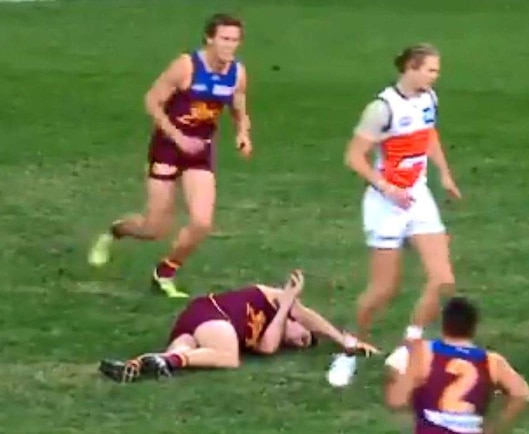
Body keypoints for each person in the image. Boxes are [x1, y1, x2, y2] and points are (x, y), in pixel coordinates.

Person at [88, 13, 253, 298]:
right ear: (210, 39)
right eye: (225, 39)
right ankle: (115, 231)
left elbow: (238, 106)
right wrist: (178, 137)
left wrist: (242, 133)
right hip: (167, 148)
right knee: (154, 228)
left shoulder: (237, 73)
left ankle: (164, 273)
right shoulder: (186, 66)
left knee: (202, 222)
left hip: (199, 152)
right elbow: (152, 101)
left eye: (235, 40)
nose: (230, 46)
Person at [328, 43, 462, 387]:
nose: (436, 76)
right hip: (386, 206)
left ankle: (408, 346)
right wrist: (386, 187)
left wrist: (444, 173)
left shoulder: (429, 99)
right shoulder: (382, 108)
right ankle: (348, 349)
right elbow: (354, 157)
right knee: (383, 290)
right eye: (431, 69)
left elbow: (428, 134)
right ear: (412, 68)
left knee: (443, 279)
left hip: (418, 198)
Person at [99, 270, 378, 382]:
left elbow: (269, 346)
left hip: (200, 326)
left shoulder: (268, 333)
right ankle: (168, 359)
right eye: (302, 338)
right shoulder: (274, 299)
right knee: (229, 357)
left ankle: (136, 366)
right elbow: (308, 316)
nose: (296, 341)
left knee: (181, 354)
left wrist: (284, 312)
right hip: (212, 314)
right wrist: (344, 341)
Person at [385, 297, 529, 434]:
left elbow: (397, 400)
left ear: (443, 324)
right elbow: (522, 394)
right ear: (474, 327)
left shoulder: (425, 353)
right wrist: (492, 430)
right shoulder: (491, 361)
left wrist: (397, 379)